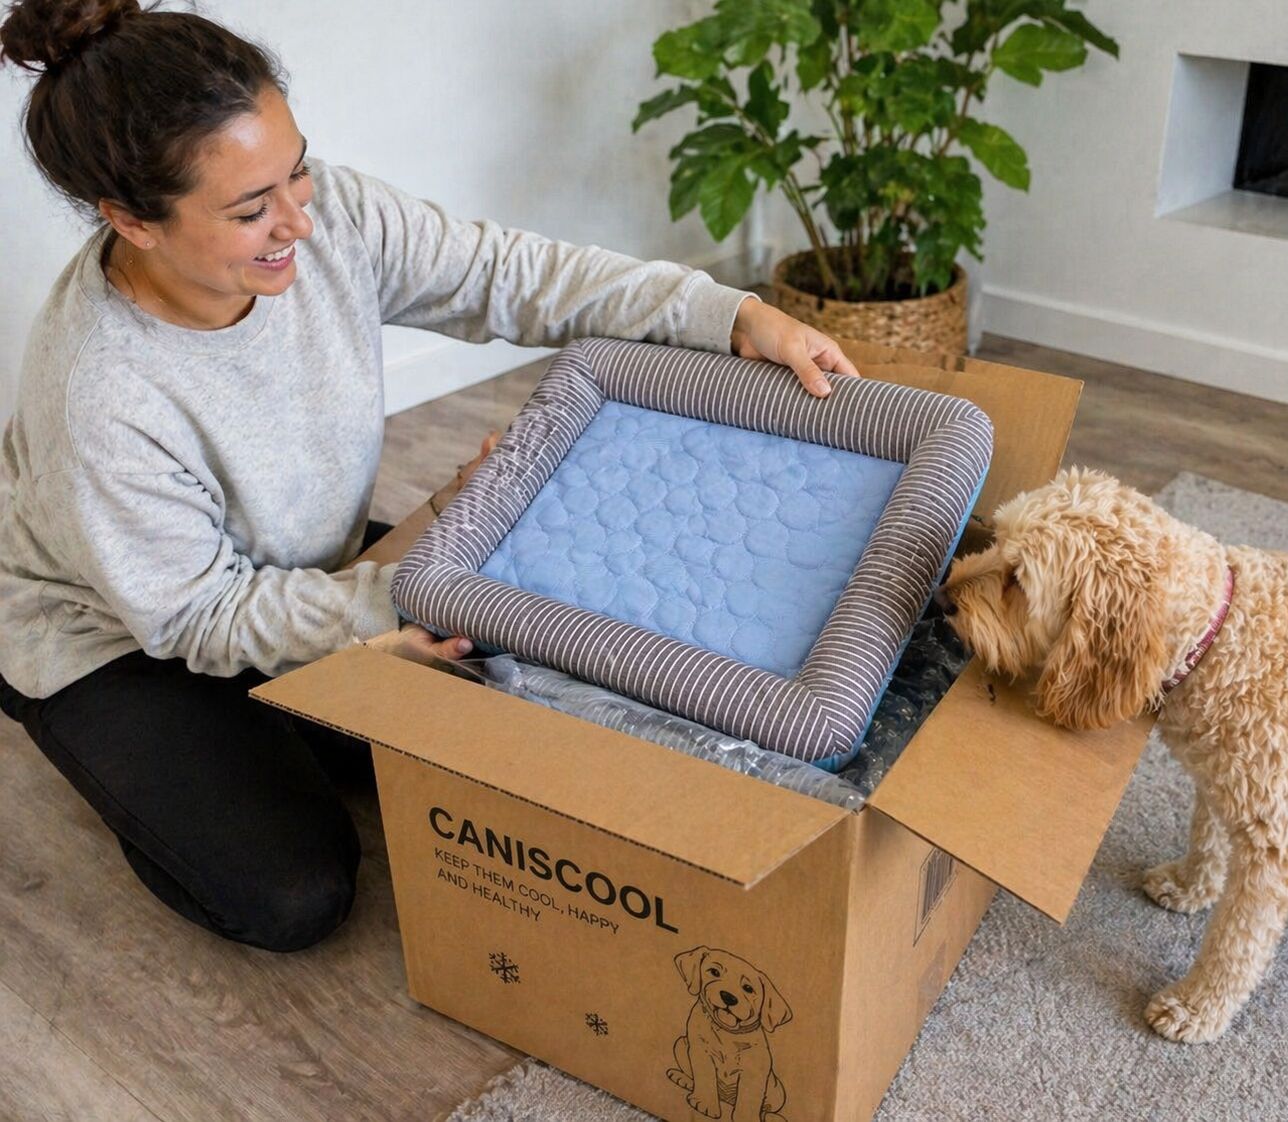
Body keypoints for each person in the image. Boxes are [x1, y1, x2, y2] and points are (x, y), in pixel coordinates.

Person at [0, 0, 860, 951]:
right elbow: (199, 614)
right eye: (251, 209)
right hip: (118, 629)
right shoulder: (99, 393)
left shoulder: (329, 218)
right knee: (293, 895)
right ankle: (128, 742)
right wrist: (384, 619)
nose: (298, 219)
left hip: (288, 572)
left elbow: (511, 274)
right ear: (132, 220)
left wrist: (726, 313)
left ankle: (291, 717)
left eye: (296, 172)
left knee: (524, 706)